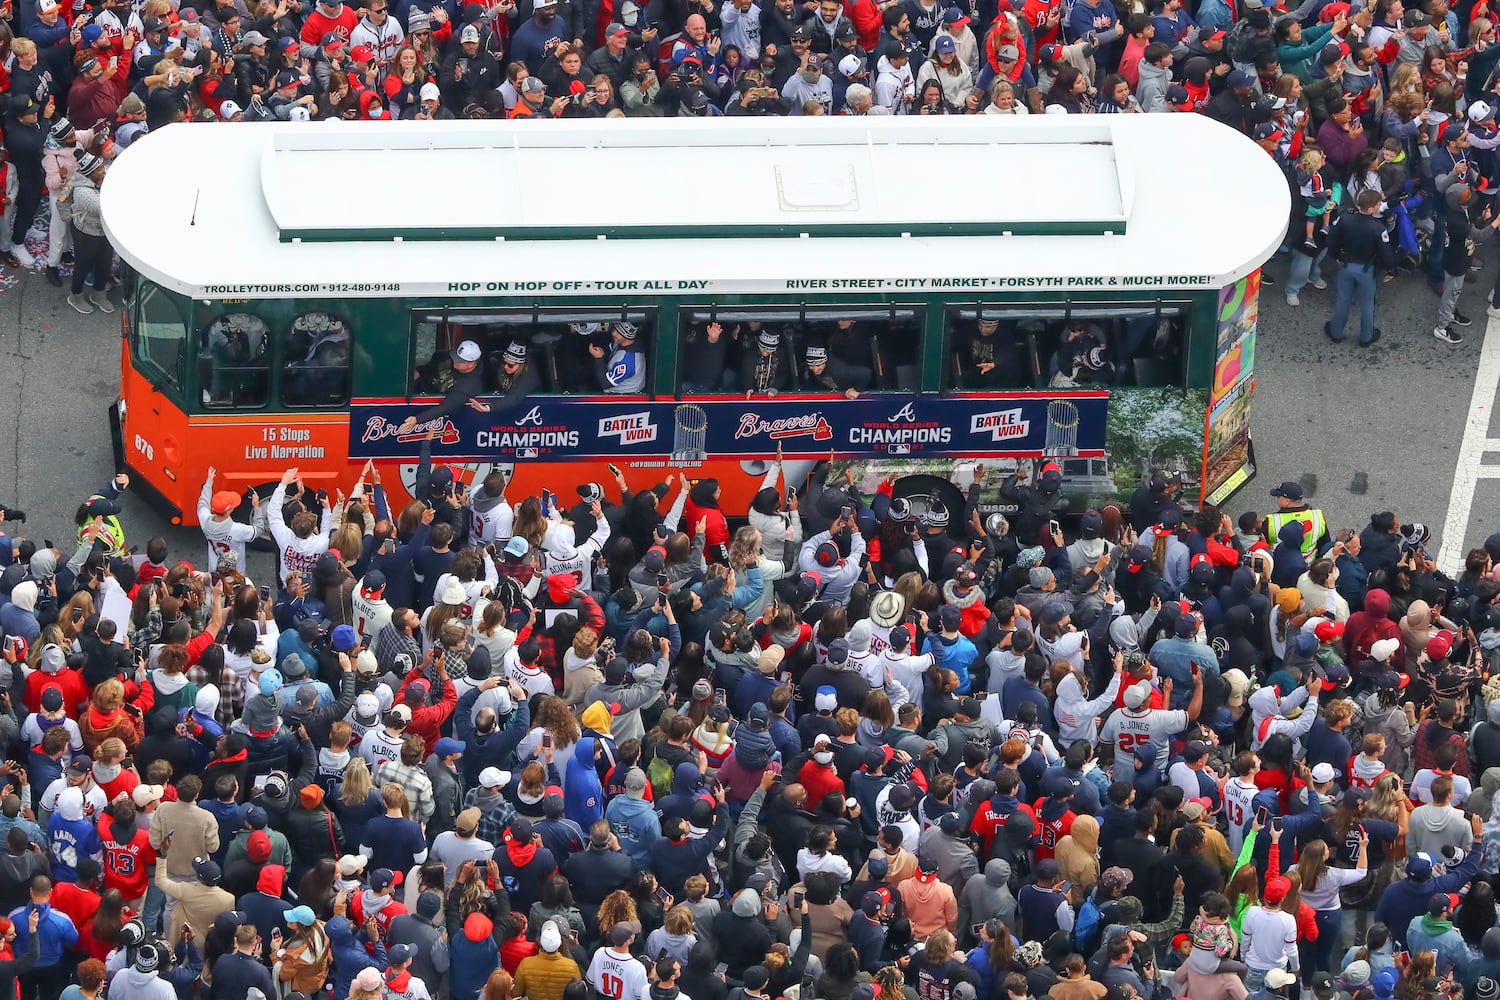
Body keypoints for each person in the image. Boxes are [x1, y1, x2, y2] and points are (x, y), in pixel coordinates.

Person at [1324, 189, 1397, 347]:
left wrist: (1336, 255)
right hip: (1366, 270)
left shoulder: (1344, 219)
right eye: (1378, 205)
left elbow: (1332, 239)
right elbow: (1386, 252)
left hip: (1346, 265)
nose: (1380, 207)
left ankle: (1336, 332)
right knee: (1366, 304)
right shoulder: (1378, 228)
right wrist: (1390, 269)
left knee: (1343, 299)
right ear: (1370, 209)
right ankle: (1366, 337)